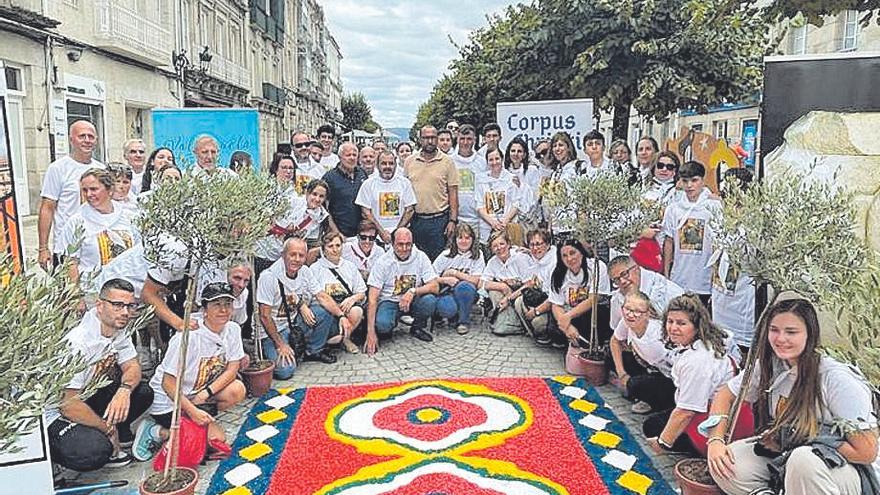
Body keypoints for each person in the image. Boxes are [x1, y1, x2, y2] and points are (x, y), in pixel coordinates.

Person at [707, 298, 880, 495]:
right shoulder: (771, 365)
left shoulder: (836, 379)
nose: (780, 338)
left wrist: (802, 439)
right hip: (789, 452)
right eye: (774, 330)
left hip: (846, 471)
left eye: (791, 332)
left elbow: (867, 451)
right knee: (729, 462)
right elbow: (725, 395)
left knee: (803, 460)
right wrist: (715, 441)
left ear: (810, 334)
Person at [47, 279, 153, 470]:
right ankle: (59, 459)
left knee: (143, 392)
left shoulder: (117, 328)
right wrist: (106, 428)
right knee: (95, 451)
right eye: (118, 305)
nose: (125, 312)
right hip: (55, 412)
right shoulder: (78, 343)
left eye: (130, 306)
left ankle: (116, 430)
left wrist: (124, 390)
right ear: (100, 305)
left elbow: (133, 367)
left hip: (85, 396)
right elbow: (67, 405)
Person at [136, 282, 247, 461]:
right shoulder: (187, 337)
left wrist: (204, 395)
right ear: (204, 309)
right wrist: (192, 410)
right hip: (168, 400)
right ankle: (158, 431)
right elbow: (167, 383)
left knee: (237, 389)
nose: (223, 310)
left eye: (227, 304)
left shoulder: (232, 329)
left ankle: (193, 423)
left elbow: (233, 368)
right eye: (216, 304)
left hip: (196, 393)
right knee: (216, 441)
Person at [644, 294, 740, 455]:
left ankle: (698, 451)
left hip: (717, 421)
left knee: (652, 427)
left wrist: (663, 443)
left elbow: (687, 412)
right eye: (670, 321)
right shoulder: (704, 342)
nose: (673, 328)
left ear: (696, 326)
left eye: (681, 323)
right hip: (712, 406)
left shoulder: (697, 360)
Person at [257, 237, 338, 379]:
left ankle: (313, 351)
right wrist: (280, 344)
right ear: (283, 255)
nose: (297, 259)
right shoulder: (269, 277)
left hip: (292, 323)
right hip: (271, 331)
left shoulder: (305, 271)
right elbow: (264, 316)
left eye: (301, 255)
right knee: (285, 371)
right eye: (292, 254)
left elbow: (322, 296)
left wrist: (342, 316)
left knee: (323, 312)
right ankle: (272, 351)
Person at [38, 120, 104, 268]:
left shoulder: (101, 169)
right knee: (69, 291)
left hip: (95, 246)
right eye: (82, 136)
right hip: (66, 247)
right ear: (71, 139)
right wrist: (43, 248)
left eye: (91, 136)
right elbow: (47, 207)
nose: (87, 140)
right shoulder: (57, 168)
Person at [365, 228, 442, 354]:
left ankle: (417, 327)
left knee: (429, 300)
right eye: (400, 244)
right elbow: (372, 298)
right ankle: (390, 325)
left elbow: (435, 286)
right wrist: (370, 333)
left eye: (408, 244)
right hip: (390, 301)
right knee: (383, 325)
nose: (404, 248)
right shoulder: (382, 263)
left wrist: (412, 291)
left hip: (413, 300)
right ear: (392, 244)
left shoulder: (421, 257)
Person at [60, 168, 140, 287]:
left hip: (127, 289)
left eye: (94, 189)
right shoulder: (76, 221)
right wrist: (76, 297)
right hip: (92, 290)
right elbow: (71, 263)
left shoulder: (129, 216)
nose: (89, 194)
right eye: (85, 190)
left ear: (109, 190)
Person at [662, 161, 721, 307]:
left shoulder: (714, 206)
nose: (689, 186)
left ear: (703, 180)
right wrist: (666, 273)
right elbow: (669, 241)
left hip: (705, 279)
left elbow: (720, 244)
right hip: (679, 277)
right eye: (685, 181)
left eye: (694, 180)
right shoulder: (673, 209)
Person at [712, 168, 757, 356]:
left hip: (742, 302)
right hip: (720, 298)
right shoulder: (720, 217)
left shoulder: (755, 225)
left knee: (741, 349)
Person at [609, 291, 676, 415]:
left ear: (647, 314)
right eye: (627, 309)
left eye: (637, 312)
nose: (630, 314)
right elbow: (615, 341)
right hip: (649, 365)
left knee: (635, 384)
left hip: (670, 376)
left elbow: (664, 368)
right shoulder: (627, 321)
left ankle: (660, 403)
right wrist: (621, 373)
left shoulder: (655, 339)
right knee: (611, 357)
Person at [405, 125, 460, 260]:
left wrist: (452, 220)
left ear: (436, 139)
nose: (429, 141)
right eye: (425, 138)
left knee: (438, 260)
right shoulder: (409, 161)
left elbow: (453, 193)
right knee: (416, 260)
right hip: (416, 221)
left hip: (439, 221)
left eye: (432, 137)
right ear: (419, 140)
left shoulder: (447, 162)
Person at [548, 238, 612, 347]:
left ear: (581, 253)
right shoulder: (558, 273)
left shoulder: (597, 266)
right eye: (564, 256)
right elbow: (556, 304)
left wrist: (568, 317)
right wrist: (566, 326)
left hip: (590, 313)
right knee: (553, 330)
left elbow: (594, 299)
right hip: (568, 313)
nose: (569, 258)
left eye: (573, 253)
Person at [310, 232, 366, 354]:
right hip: (326, 311)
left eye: (338, 245)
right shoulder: (315, 269)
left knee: (357, 311)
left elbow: (362, 292)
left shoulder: (350, 266)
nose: (335, 250)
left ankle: (345, 339)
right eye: (330, 246)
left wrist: (352, 299)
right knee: (333, 336)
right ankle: (328, 339)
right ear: (323, 249)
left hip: (345, 308)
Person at [607, 255, 684, 331]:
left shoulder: (667, 289)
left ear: (637, 268)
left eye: (624, 274)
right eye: (617, 279)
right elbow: (615, 327)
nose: (622, 281)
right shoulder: (617, 298)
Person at [433, 223, 485, 335]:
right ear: (455, 239)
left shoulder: (478, 255)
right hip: (447, 291)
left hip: (469, 292)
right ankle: (452, 315)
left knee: (464, 286)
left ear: (472, 239)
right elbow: (431, 278)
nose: (464, 241)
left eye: (467, 238)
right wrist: (445, 279)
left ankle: (463, 322)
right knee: (447, 309)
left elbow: (477, 280)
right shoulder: (445, 255)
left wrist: (454, 273)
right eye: (460, 237)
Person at [355, 150, 416, 245]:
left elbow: (409, 210)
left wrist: (396, 233)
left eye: (391, 163)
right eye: (383, 163)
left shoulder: (405, 183)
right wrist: (381, 232)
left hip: (401, 237)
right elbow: (365, 212)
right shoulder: (368, 184)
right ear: (377, 165)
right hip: (375, 237)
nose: (387, 167)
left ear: (395, 165)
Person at [480, 231, 532, 336]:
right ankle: (508, 322)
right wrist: (502, 286)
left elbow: (529, 284)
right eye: (495, 246)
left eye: (502, 244)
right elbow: (481, 283)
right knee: (494, 291)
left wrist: (509, 297)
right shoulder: (493, 262)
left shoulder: (520, 258)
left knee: (519, 300)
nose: (499, 248)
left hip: (524, 293)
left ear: (508, 244)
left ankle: (522, 324)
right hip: (507, 293)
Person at [254, 154, 300, 275]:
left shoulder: (296, 193)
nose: (288, 171)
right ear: (276, 169)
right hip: (264, 248)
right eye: (284, 167)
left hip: (284, 248)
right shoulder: (265, 189)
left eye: (291, 168)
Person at [513, 228, 557, 346]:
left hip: (552, 305)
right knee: (518, 302)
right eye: (532, 245)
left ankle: (545, 333)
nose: (535, 248)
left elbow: (554, 298)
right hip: (539, 298)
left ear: (548, 245)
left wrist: (536, 312)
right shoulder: (536, 259)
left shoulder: (554, 263)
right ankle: (532, 333)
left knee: (538, 323)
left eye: (538, 244)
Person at [449, 124, 487, 243]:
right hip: (456, 219)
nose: (465, 142)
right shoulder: (449, 161)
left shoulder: (482, 162)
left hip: (478, 219)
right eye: (462, 139)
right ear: (457, 139)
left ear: (475, 140)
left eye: (469, 139)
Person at [476, 148, 521, 247]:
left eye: (497, 159)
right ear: (487, 162)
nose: (494, 162)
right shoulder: (480, 179)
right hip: (487, 228)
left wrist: (505, 221)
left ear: (502, 159)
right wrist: (492, 222)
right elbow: (479, 206)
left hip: (507, 227)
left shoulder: (511, 178)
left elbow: (516, 204)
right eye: (491, 160)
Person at [323, 142, 368, 239]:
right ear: (339, 157)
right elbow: (324, 210)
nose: (352, 158)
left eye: (354, 155)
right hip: (339, 235)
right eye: (348, 155)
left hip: (362, 235)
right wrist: (336, 233)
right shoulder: (329, 178)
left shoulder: (362, 174)